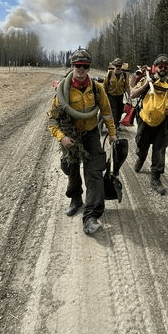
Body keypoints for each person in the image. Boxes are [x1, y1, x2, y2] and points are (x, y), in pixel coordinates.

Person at [48, 48, 117, 235]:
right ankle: (76, 198)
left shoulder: (96, 88)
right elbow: (52, 120)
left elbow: (106, 112)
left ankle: (91, 216)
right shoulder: (63, 90)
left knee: (94, 172)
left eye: (85, 66)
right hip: (71, 135)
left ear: (89, 67)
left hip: (91, 133)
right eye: (78, 65)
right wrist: (62, 137)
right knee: (71, 169)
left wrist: (112, 133)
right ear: (73, 65)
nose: (81, 69)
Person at [130, 54, 168, 195]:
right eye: (160, 66)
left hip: (162, 123)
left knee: (160, 150)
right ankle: (141, 157)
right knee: (141, 144)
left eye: (165, 67)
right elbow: (132, 94)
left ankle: (155, 178)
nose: (163, 69)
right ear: (155, 67)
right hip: (145, 120)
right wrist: (146, 84)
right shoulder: (146, 80)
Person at [103, 57, 130, 130]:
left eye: (119, 66)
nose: (118, 67)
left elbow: (127, 86)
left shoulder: (124, 75)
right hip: (111, 95)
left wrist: (129, 96)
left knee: (120, 111)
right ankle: (114, 129)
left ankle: (117, 124)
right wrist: (104, 95)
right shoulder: (109, 74)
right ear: (114, 66)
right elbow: (105, 85)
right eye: (116, 66)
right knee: (114, 111)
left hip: (120, 95)